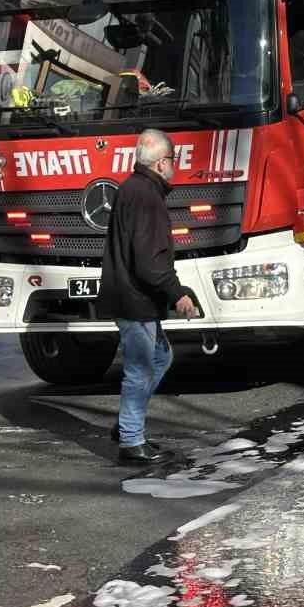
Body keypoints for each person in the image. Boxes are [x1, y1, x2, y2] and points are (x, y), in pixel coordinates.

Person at [98, 129, 200, 464]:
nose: (174, 166)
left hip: (130, 295)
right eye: (172, 160)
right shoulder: (146, 197)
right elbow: (150, 261)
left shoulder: (133, 188)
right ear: (160, 163)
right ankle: (130, 441)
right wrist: (178, 293)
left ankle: (128, 422)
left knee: (159, 358)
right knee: (140, 368)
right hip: (135, 299)